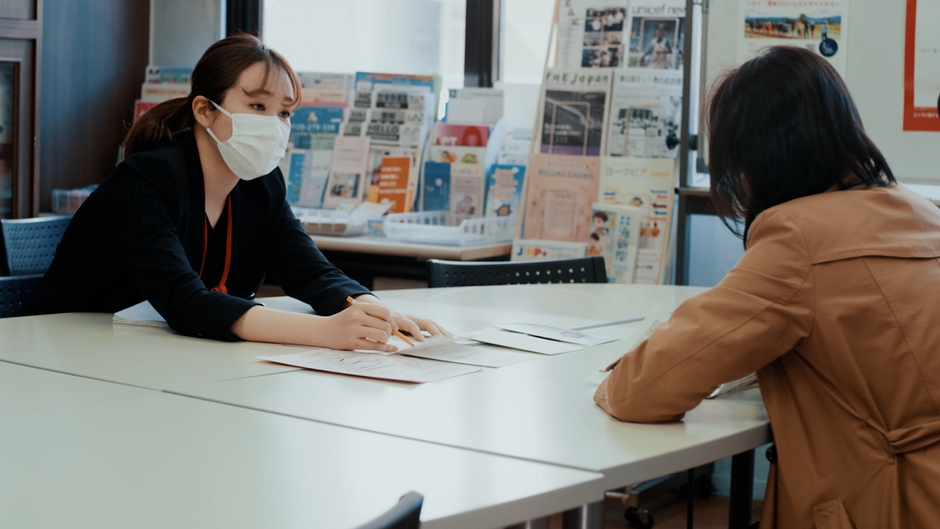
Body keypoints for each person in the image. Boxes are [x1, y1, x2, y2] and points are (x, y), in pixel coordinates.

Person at [594, 46, 940, 528]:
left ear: (755, 157)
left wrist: (610, 381)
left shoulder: (798, 238)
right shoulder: (922, 211)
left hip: (881, 506)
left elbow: (644, 388)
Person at [28, 34, 445, 351]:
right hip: (65, 351)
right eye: (258, 107)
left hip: (158, 353)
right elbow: (185, 302)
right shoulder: (145, 179)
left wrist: (373, 310)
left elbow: (312, 272)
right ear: (205, 111)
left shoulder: (263, 184)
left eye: (285, 112)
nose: (275, 125)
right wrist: (325, 332)